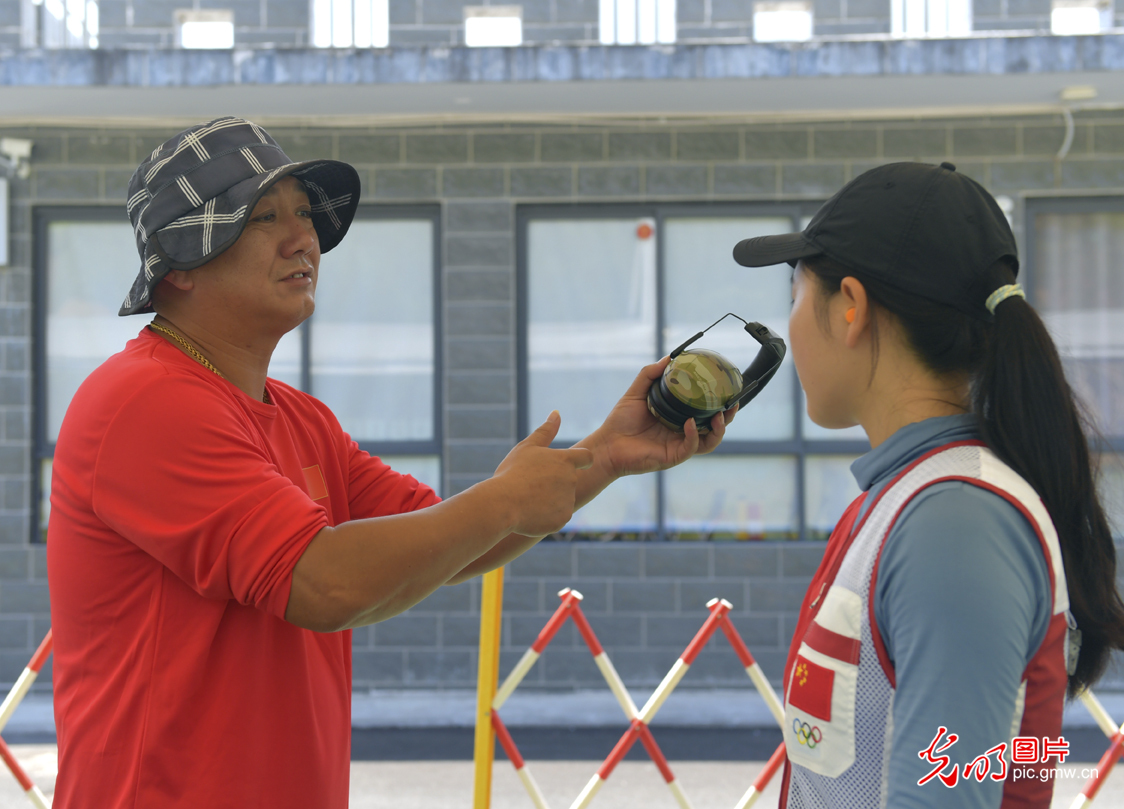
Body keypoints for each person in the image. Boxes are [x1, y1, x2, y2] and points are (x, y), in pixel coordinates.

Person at [45, 117, 735, 808]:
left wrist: (605, 456)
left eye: (305, 213)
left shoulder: (300, 418)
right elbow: (325, 583)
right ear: (183, 263)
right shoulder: (144, 401)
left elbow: (448, 540)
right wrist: (505, 498)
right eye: (263, 217)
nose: (303, 237)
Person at [733, 161, 1124, 808]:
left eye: (795, 293)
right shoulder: (906, 499)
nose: (790, 325)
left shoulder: (956, 522)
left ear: (850, 307)